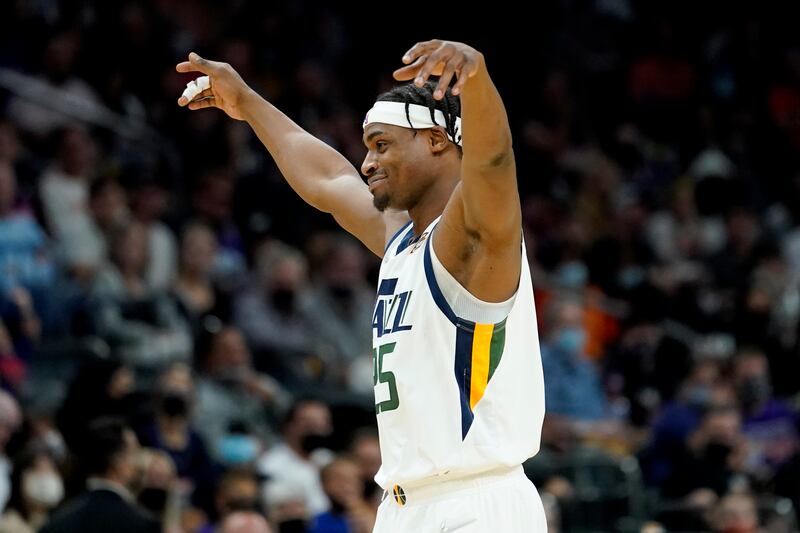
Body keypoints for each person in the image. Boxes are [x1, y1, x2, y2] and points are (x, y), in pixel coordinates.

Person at [177, 38, 546, 531]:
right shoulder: (402, 240)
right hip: (401, 504)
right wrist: (247, 104)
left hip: (474, 502)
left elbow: (493, 165)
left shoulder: (476, 241)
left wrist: (475, 83)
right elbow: (328, 178)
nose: (367, 163)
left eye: (382, 145)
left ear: (437, 141)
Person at [40, 417, 160, 533]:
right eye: (136, 452)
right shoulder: (142, 525)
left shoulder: (57, 522)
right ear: (118, 462)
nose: (142, 461)